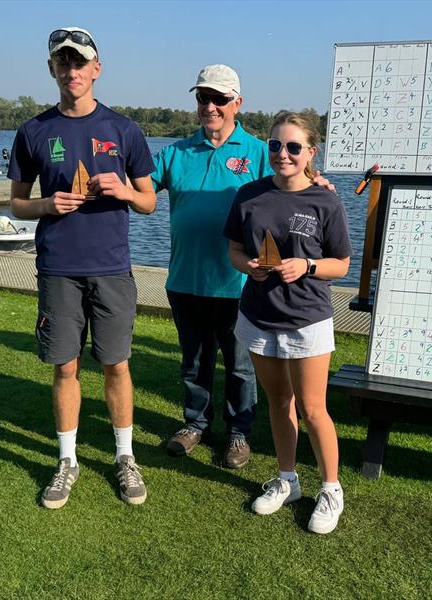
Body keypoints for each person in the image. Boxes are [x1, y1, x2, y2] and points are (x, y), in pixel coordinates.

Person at [151, 65, 334, 469]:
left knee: (240, 366)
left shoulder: (260, 151)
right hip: (185, 278)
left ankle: (238, 434)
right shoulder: (176, 152)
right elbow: (140, 188)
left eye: (219, 99)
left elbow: (295, 175)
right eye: (203, 98)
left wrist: (318, 180)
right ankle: (195, 424)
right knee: (193, 362)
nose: (210, 107)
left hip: (240, 282)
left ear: (237, 103)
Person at [7, 27, 156, 509]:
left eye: (80, 62)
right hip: (58, 269)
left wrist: (125, 192)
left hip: (111, 268)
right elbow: (16, 204)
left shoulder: (124, 130)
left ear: (97, 68)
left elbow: (150, 202)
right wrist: (47, 204)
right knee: (65, 366)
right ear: (52, 70)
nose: (71, 71)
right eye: (62, 63)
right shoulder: (33, 130)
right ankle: (66, 461)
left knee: (116, 363)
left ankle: (124, 456)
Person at [223, 111, 352, 534]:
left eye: (294, 147)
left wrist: (308, 266)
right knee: (279, 404)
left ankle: (331, 488)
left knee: (314, 409)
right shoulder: (249, 194)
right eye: (275, 145)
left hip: (307, 319)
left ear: (311, 152)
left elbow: (342, 264)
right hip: (259, 316)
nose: (283, 154)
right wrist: (251, 268)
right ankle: (288, 479)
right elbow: (235, 251)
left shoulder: (325, 200)